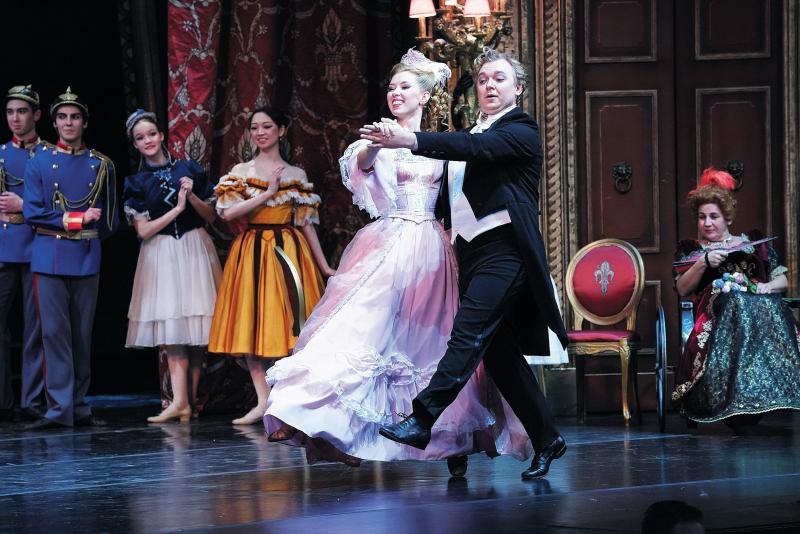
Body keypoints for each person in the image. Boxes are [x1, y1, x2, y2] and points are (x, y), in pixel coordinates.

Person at [263, 50, 532, 474]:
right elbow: (363, 166)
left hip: (434, 248)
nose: (395, 93)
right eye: (391, 87)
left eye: (404, 86)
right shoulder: (377, 139)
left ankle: (453, 441)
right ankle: (331, 423)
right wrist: (376, 144)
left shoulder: (443, 145)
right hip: (390, 241)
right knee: (364, 331)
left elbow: (459, 191)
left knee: (435, 340)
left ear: (424, 97)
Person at [366, 47, 569, 480]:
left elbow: (477, 148)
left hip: (506, 251)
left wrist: (412, 140)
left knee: (467, 333)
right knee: (498, 355)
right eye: (482, 79)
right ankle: (548, 437)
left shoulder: (521, 130)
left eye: (499, 78)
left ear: (519, 88)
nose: (489, 85)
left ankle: (423, 418)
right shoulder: (473, 132)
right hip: (470, 253)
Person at [208, 106, 332, 425]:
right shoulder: (242, 171)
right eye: (254, 127)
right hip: (252, 250)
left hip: (288, 251)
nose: (260, 132)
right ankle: (262, 400)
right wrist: (268, 193)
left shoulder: (295, 175)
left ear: (281, 130)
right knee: (252, 323)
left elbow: (306, 223)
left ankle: (287, 399)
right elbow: (227, 213)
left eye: (266, 126)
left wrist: (324, 267)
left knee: (291, 324)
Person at [672, 167, 800, 425]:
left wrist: (766, 286)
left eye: (714, 217)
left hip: (760, 311)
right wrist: (703, 262)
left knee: (764, 303)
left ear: (727, 218)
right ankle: (733, 397)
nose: (707, 223)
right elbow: (682, 289)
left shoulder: (753, 244)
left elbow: (783, 280)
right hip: (716, 311)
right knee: (736, 301)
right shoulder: (692, 249)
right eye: (702, 217)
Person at [22, 87, 118, 429]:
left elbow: (110, 220)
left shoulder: (101, 164)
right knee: (53, 335)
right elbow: (33, 213)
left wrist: (87, 235)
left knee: (81, 335)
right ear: (53, 123)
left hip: (86, 255)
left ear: (84, 122)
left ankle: (77, 406)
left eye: (75, 117)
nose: (68, 122)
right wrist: (76, 220)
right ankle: (58, 408)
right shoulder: (38, 161)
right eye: (62, 117)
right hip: (49, 255)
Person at [122, 109, 222, 423]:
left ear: (162, 135)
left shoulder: (188, 168)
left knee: (195, 325)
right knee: (173, 324)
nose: (147, 141)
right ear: (135, 145)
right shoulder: (137, 182)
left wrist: (190, 199)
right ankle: (179, 401)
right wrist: (176, 209)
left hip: (193, 247)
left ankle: (187, 401)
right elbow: (143, 231)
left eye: (151, 134)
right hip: (161, 252)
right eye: (140, 138)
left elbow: (211, 216)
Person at [0, 85, 47, 423]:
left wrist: (24, 205)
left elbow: (61, 202)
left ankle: (31, 400)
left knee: (36, 328)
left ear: (36, 115)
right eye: (10, 112)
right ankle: (3, 401)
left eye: (22, 112)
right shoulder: (1, 154)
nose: (15, 119)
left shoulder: (49, 155)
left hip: (37, 246)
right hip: (3, 246)